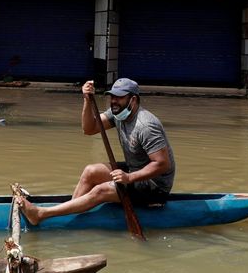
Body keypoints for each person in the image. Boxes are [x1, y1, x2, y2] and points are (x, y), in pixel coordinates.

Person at [20, 78, 174, 225]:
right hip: (135, 171)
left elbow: (162, 164)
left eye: (119, 97)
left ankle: (40, 214)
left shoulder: (146, 126)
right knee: (91, 171)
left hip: (155, 186)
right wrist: (87, 100)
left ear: (133, 100)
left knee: (101, 190)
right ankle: (70, 214)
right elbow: (89, 128)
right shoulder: (118, 114)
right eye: (112, 96)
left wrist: (129, 177)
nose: (114, 101)